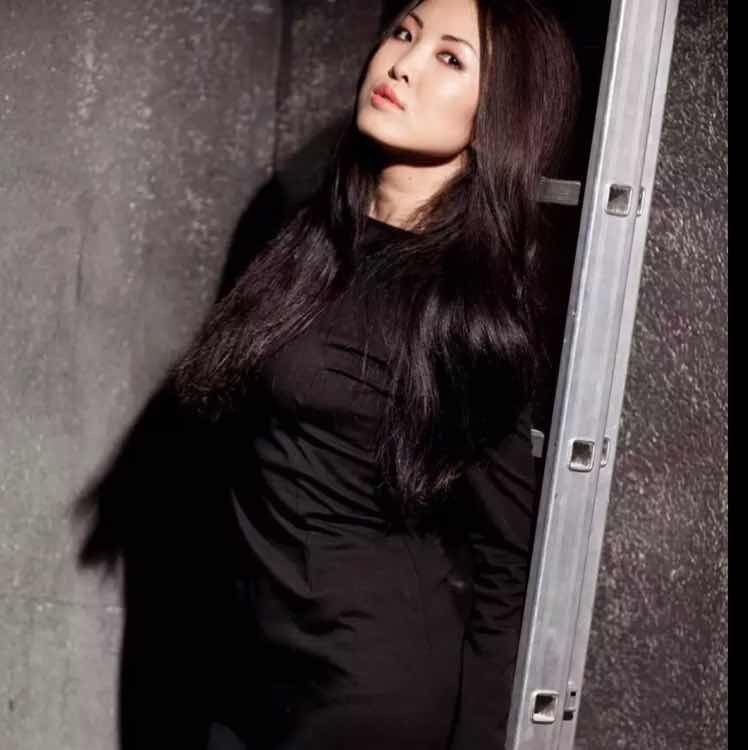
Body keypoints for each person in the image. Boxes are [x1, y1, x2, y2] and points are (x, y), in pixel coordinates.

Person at [171, 0, 579, 747]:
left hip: (362, 694)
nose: (403, 64)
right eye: (404, 33)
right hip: (250, 673)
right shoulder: (310, 241)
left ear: (497, 113)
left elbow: (505, 560)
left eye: (449, 58)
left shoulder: (467, 308)